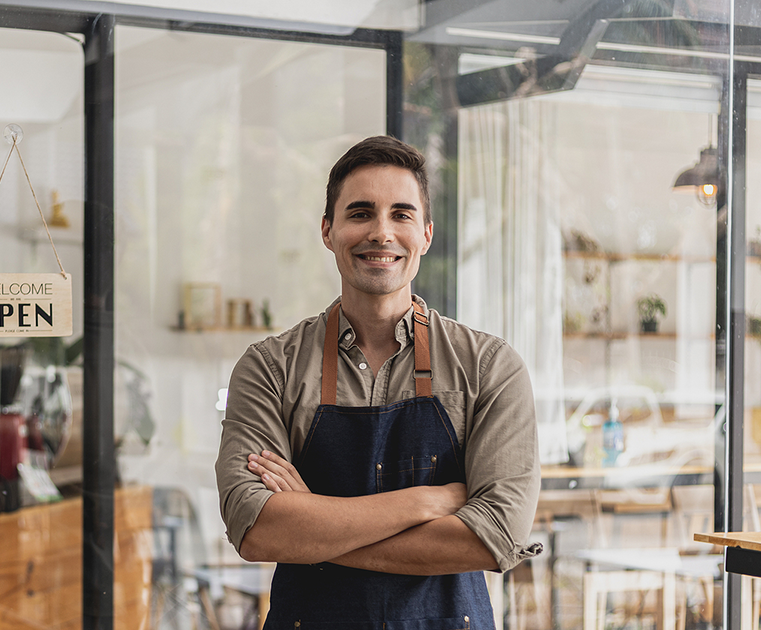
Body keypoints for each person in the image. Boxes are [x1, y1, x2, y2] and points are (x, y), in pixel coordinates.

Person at [214, 135, 541, 629]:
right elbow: (256, 528)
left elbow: (492, 536)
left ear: (426, 234)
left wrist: (311, 525)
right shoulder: (270, 368)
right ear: (328, 230)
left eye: (401, 214)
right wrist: (426, 502)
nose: (381, 233)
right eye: (361, 213)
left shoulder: (488, 366)